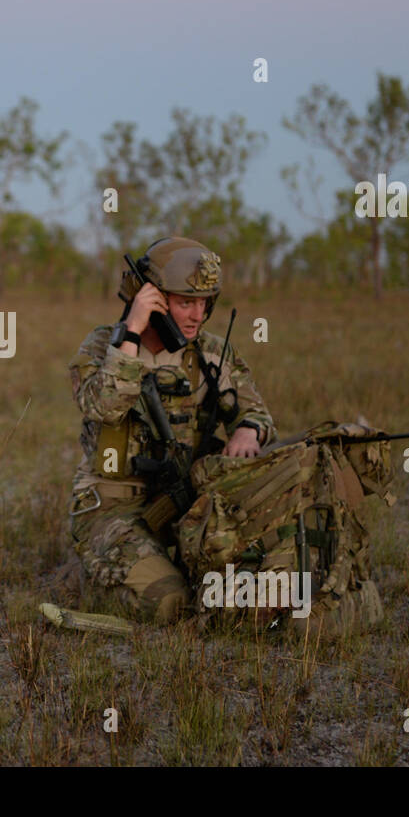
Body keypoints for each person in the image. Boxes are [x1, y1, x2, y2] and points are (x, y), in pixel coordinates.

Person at [67, 237, 275, 623]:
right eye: (185, 303)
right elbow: (104, 405)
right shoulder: (101, 348)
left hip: (187, 505)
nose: (197, 315)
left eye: (204, 303)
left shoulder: (212, 353)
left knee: (240, 591)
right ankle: (96, 576)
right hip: (113, 507)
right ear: (153, 299)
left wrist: (248, 431)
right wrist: (132, 331)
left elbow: (257, 414)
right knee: (169, 604)